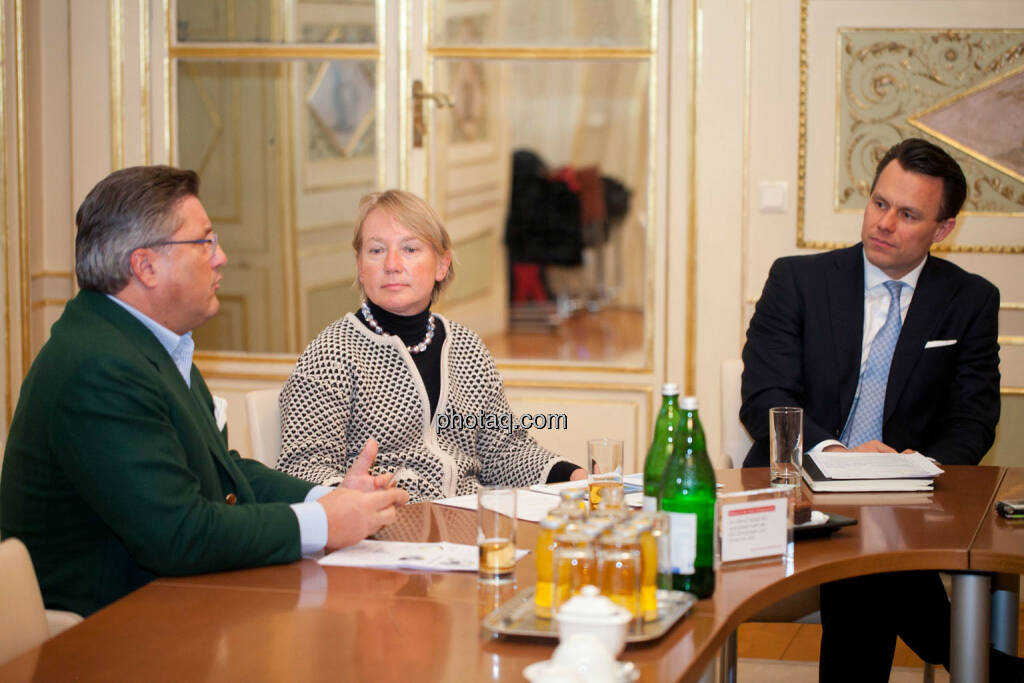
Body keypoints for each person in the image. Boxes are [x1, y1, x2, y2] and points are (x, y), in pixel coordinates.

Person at [0, 166, 408, 617]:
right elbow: (177, 533)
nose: (221, 258)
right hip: (105, 631)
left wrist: (328, 499)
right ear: (145, 266)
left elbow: (221, 472)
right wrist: (323, 523)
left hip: (173, 606)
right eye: (204, 242)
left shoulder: (145, 341)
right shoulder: (99, 367)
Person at [740, 138, 1020, 681]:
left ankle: (974, 661)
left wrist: (909, 469)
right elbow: (766, 397)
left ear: (943, 229)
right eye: (879, 203)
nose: (884, 223)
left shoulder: (970, 300)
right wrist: (841, 459)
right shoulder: (798, 280)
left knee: (869, 545)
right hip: (797, 485)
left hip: (907, 497)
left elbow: (972, 418)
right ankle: (978, 662)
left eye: (908, 214)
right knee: (870, 549)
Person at [277, 189, 585, 502]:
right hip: (385, 521)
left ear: (441, 265)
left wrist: (575, 476)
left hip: (468, 516)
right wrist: (352, 495)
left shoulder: (467, 348)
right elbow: (300, 466)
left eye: (410, 249)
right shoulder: (331, 354)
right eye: (376, 250)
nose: (392, 264)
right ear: (360, 266)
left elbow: (503, 451)